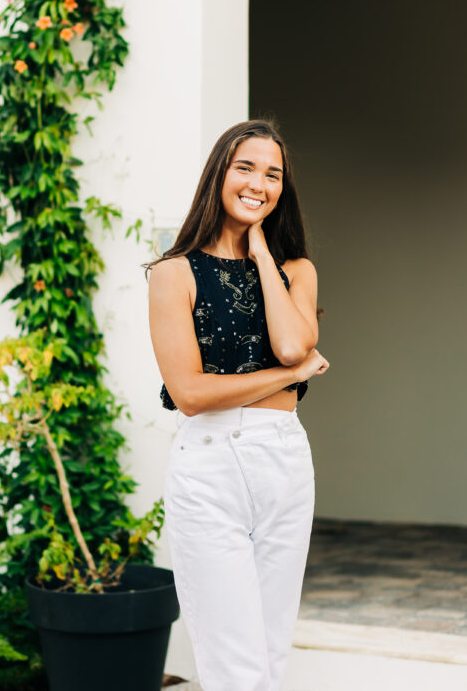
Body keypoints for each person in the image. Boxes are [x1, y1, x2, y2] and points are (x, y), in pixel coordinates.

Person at [145, 118, 330, 691]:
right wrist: (292, 375)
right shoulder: (172, 274)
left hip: (284, 461)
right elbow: (191, 395)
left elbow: (294, 341)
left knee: (272, 652)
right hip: (210, 468)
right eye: (245, 167)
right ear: (218, 175)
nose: (259, 183)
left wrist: (259, 250)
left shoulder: (295, 270)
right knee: (234, 663)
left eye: (273, 174)